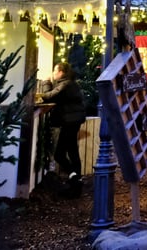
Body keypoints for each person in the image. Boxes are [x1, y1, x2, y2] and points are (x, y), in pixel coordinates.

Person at [40, 61, 86, 196]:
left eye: (55, 71)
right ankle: (76, 185)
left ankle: (74, 178)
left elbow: (48, 96)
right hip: (73, 121)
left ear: (61, 72)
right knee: (72, 151)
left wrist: (46, 83)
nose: (53, 73)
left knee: (59, 154)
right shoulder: (70, 84)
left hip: (69, 122)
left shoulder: (65, 85)